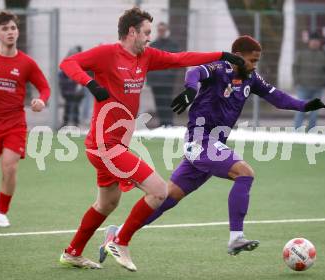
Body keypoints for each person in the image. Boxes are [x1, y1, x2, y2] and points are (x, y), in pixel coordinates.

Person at [98, 35, 325, 261]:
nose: (255, 65)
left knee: (168, 198)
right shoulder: (220, 68)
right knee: (245, 173)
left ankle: (116, 234)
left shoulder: (250, 78)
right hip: (199, 140)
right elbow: (194, 72)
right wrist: (190, 89)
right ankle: (236, 236)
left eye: (257, 61)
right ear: (238, 57)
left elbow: (277, 97)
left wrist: (304, 105)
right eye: (252, 60)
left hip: (212, 145)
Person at [58, 7, 245, 271]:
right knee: (159, 191)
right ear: (132, 32)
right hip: (104, 145)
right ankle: (119, 241)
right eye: (146, 33)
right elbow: (68, 63)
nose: (149, 38)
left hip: (115, 145)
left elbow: (181, 58)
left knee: (107, 203)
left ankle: (73, 252)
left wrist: (221, 55)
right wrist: (90, 84)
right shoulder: (106, 54)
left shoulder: (145, 56)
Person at [0, 11, 50, 227]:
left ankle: (1, 212)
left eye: (13, 28)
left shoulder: (26, 63)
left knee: (10, 166)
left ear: (18, 31)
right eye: (5, 28)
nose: (10, 32)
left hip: (15, 122)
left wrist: (41, 101)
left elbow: (44, 87)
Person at [293, 32, 325, 130]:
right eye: (313, 41)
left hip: (318, 88)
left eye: (317, 41)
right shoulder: (301, 54)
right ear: (309, 42)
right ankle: (296, 133)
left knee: (314, 114)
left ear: (320, 43)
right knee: (300, 111)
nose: (315, 43)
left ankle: (311, 134)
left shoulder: (323, 55)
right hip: (303, 87)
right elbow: (295, 67)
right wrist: (297, 80)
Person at [146, 22, 179, 126]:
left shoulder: (172, 45)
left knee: (167, 102)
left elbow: (175, 62)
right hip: (155, 81)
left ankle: (169, 123)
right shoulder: (153, 45)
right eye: (160, 30)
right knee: (159, 103)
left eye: (163, 30)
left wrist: (171, 75)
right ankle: (162, 124)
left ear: (166, 31)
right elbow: (148, 64)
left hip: (167, 81)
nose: (161, 32)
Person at [59, 45, 85, 127]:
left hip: (75, 88)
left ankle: (74, 122)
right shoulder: (68, 63)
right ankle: (68, 122)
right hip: (69, 88)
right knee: (69, 105)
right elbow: (62, 76)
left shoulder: (79, 64)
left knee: (74, 106)